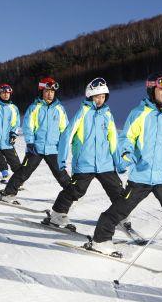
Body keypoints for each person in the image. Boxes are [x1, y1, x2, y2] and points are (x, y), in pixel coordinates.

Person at [90, 72, 162, 268]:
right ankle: (100, 240)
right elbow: (127, 139)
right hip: (141, 175)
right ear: (152, 89)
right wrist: (126, 154)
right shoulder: (139, 113)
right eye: (161, 88)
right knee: (120, 208)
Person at [45, 77, 125, 228]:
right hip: (84, 163)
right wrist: (61, 159)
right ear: (90, 96)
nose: (100, 100)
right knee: (75, 190)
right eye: (96, 97)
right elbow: (66, 136)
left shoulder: (107, 115)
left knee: (117, 190)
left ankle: (120, 216)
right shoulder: (83, 112)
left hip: (105, 163)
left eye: (102, 97)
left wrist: (118, 162)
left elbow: (114, 140)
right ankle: (57, 213)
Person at [0, 78, 70, 200]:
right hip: (36, 147)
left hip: (54, 148)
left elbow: (64, 129)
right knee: (24, 171)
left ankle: (71, 195)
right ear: (41, 91)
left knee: (61, 174)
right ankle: (8, 193)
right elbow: (28, 127)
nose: (50, 94)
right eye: (47, 91)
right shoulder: (34, 107)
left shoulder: (59, 109)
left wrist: (64, 144)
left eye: (52, 91)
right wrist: (30, 142)